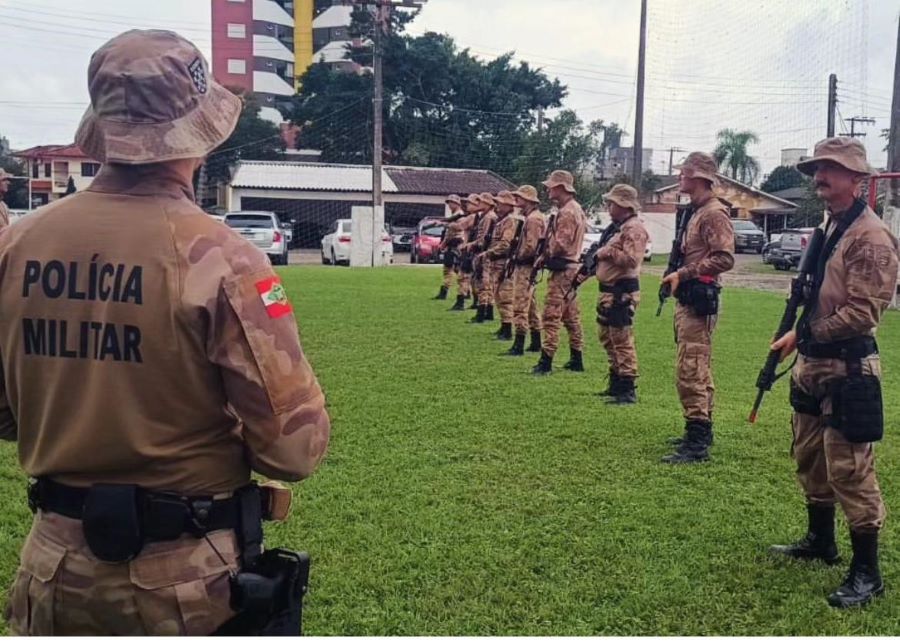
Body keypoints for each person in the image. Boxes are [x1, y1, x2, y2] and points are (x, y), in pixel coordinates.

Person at [0, 30, 330, 635]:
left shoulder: (17, 244)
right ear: (198, 139)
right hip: (180, 583)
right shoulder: (224, 259)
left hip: (50, 570)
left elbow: (1, 414)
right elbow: (294, 451)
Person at [767, 137, 898, 609]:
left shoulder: (871, 236)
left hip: (848, 365)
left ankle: (868, 572)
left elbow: (863, 312)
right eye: (818, 168)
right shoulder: (831, 224)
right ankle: (820, 540)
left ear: (857, 180)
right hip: (813, 363)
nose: (820, 176)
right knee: (809, 456)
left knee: (850, 468)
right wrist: (803, 340)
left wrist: (802, 335)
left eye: (831, 169)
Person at [659, 152, 734, 464]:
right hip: (688, 298)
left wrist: (683, 273)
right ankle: (700, 427)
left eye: (685, 173)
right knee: (695, 366)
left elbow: (725, 258)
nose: (680, 177)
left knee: (691, 369)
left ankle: (697, 439)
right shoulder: (695, 211)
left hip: (699, 297)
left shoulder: (713, 213)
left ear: (700, 178)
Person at [593, 184, 649, 404]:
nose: (608, 207)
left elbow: (632, 259)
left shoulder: (633, 229)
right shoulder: (618, 228)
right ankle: (616, 383)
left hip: (621, 293)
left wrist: (607, 251)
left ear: (624, 205)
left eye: (612, 203)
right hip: (608, 292)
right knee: (607, 337)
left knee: (622, 339)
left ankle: (627, 388)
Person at [532, 170, 586, 375]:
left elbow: (561, 243)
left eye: (551, 186)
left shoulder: (567, 212)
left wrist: (544, 255)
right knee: (571, 316)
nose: (548, 190)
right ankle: (576, 357)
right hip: (571, 268)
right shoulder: (574, 209)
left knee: (551, 315)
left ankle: (546, 360)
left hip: (563, 268)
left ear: (561, 188)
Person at [506, 185, 545, 356]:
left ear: (528, 200)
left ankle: (519, 342)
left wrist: (517, 256)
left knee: (520, 304)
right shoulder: (531, 217)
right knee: (531, 305)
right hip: (529, 265)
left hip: (526, 265)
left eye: (520, 197)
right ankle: (536, 341)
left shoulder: (533, 219)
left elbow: (531, 245)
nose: (517, 200)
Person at [484, 190, 521, 341]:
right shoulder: (501, 220)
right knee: (497, 294)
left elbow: (506, 244)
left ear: (507, 205)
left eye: (499, 203)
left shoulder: (510, 221)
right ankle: (503, 324)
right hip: (496, 262)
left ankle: (507, 328)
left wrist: (489, 252)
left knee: (504, 295)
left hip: (502, 262)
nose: (497, 206)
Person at [467, 192, 498, 324]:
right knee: (486, 285)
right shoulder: (486, 216)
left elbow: (484, 238)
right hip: (484, 252)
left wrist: (473, 245)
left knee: (483, 284)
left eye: (481, 201)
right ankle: (488, 312)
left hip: (484, 253)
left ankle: (481, 313)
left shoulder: (488, 218)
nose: (478, 203)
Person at [448, 194, 480, 311]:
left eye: (469, 203)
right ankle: (477, 301)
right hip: (474, 250)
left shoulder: (473, 217)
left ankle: (460, 301)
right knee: (474, 279)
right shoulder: (479, 216)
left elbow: (459, 226)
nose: (467, 205)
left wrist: (447, 223)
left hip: (469, 250)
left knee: (463, 277)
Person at [434, 194, 464, 300]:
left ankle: (461, 291)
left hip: (456, 243)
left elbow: (457, 229)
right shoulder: (454, 215)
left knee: (452, 269)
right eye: (449, 202)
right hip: (452, 243)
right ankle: (448, 290)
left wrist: (445, 225)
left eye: (452, 202)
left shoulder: (459, 215)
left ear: (457, 203)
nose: (450, 205)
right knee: (452, 269)